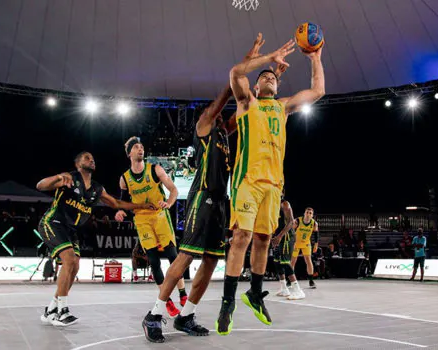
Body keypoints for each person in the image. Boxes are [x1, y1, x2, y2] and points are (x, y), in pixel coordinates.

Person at [142, 35, 280, 343]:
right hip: (201, 197)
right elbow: (231, 94)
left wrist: (259, 79)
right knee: (186, 257)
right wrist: (237, 79)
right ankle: (154, 313)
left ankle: (187, 315)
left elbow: (251, 109)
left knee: (212, 260)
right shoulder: (205, 126)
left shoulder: (224, 133)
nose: (218, 112)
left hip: (222, 201)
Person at [216, 32, 325, 335]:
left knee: (263, 240)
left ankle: (254, 292)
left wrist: (315, 58)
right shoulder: (245, 101)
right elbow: (236, 73)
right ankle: (227, 302)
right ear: (256, 85)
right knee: (242, 236)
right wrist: (269, 59)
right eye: (263, 77)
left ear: (278, 85)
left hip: (274, 185)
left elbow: (317, 90)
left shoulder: (284, 106)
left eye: (272, 78)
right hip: (247, 180)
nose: (268, 78)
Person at [37, 151, 147, 326]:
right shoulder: (69, 178)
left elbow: (116, 203)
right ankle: (62, 311)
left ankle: (52, 308)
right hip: (53, 222)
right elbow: (40, 185)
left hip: (71, 230)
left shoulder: (97, 189)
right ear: (77, 164)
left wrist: (141, 206)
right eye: (87, 158)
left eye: (93, 158)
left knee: (75, 266)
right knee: (69, 259)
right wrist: (58, 177)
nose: (92, 160)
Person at [115, 137, 186, 317]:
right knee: (153, 261)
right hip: (142, 220)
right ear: (129, 153)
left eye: (142, 146)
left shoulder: (155, 169)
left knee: (173, 257)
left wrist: (169, 203)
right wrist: (120, 212)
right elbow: (123, 203)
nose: (140, 149)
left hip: (160, 216)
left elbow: (174, 190)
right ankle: (167, 301)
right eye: (136, 147)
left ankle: (183, 295)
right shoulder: (124, 179)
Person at [271, 192, 305, 300]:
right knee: (277, 262)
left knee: (285, 263)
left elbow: (291, 222)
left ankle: (298, 290)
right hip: (278, 236)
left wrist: (279, 236)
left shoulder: (284, 204)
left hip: (286, 237)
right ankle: (284, 288)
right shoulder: (272, 204)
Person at [290, 207, 319, 289]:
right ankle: (290, 280)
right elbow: (291, 231)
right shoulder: (298, 221)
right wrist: (291, 241)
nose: (308, 214)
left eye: (310, 213)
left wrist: (316, 244)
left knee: (308, 261)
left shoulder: (314, 223)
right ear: (304, 213)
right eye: (307, 212)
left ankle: (311, 280)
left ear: (312, 215)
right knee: (292, 261)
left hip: (306, 243)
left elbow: (316, 234)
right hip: (296, 243)